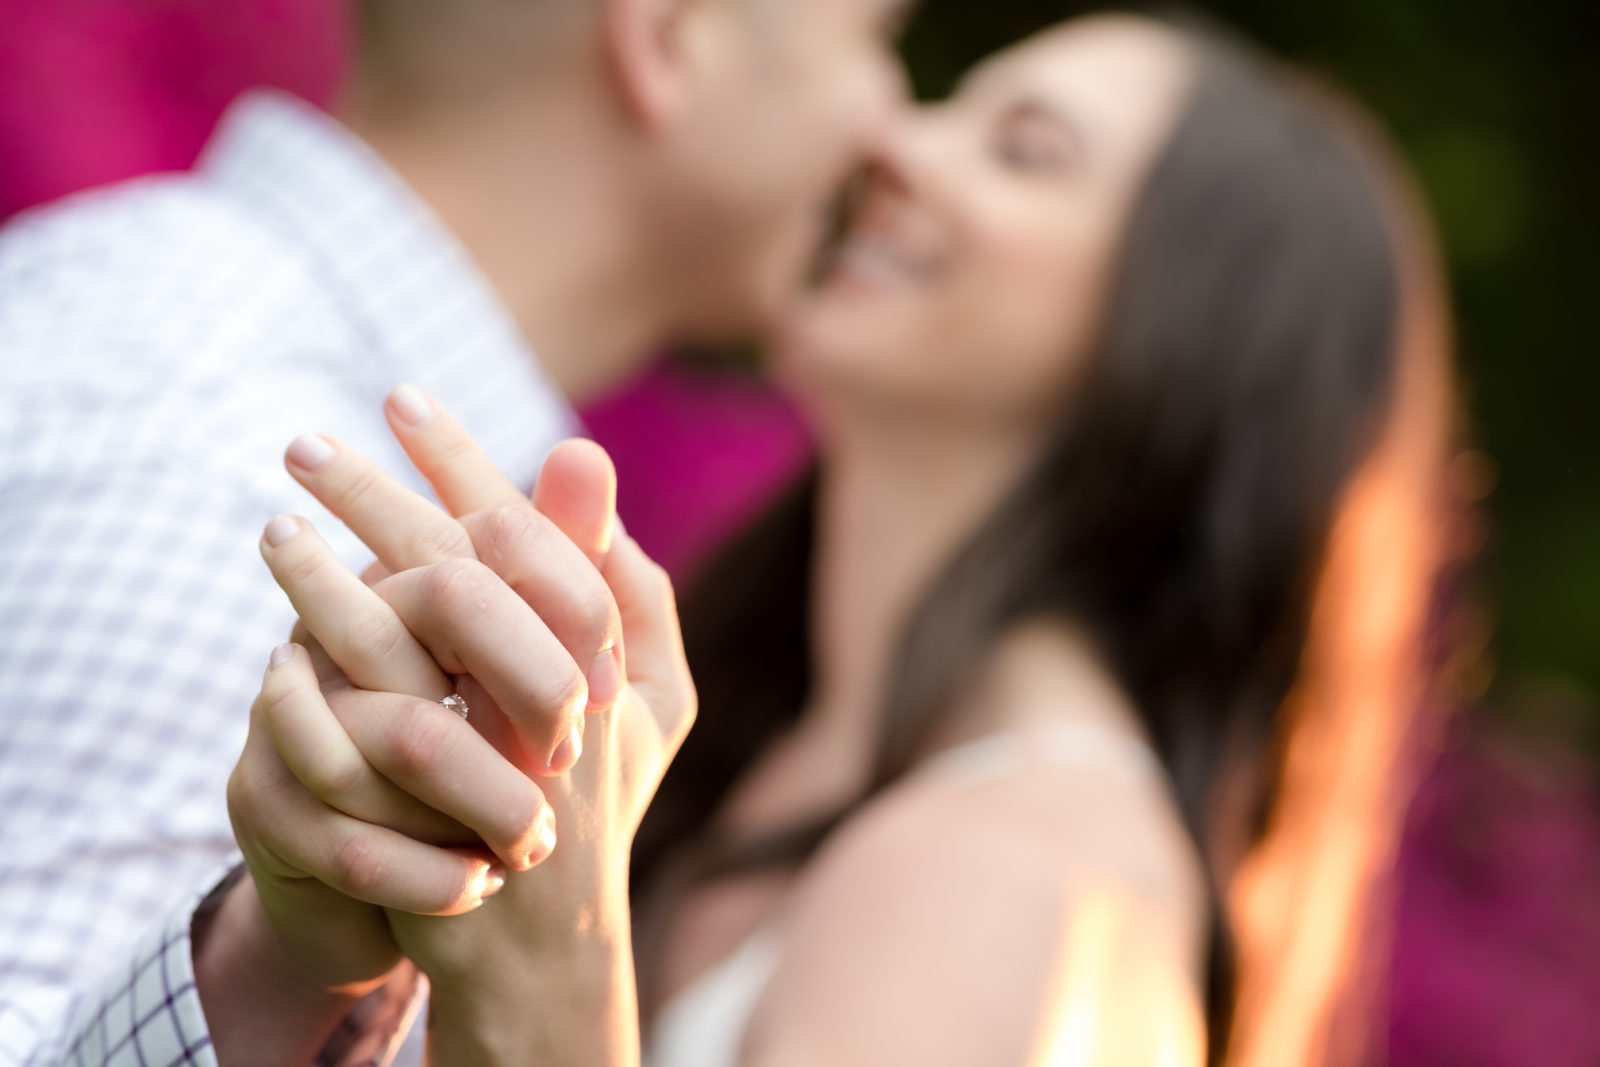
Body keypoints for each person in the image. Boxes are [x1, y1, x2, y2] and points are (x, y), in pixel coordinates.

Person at [228, 11, 1454, 1066]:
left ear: (1188, 337)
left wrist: (545, 974)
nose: (893, 141)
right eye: (944, 105)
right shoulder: (775, 742)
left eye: (1022, 151)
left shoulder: (1018, 873)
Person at [0, 0, 910, 1059]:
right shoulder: (241, 468)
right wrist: (276, 963)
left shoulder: (143, 290)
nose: (894, 129)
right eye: (875, 41)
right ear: (668, 39)